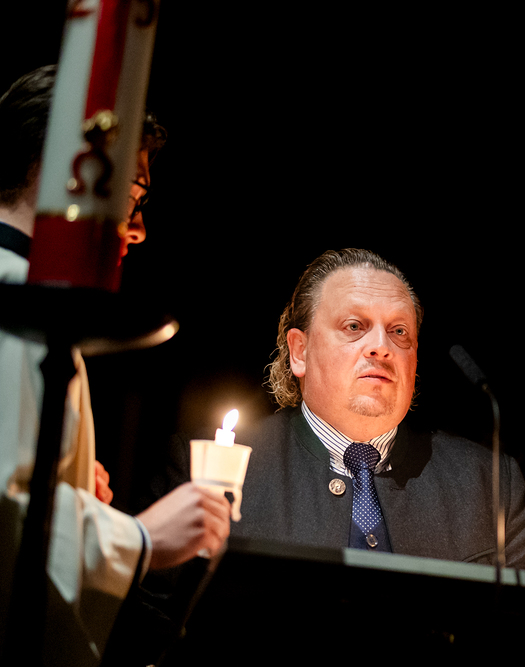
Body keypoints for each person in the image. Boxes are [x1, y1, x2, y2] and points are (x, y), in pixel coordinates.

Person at [0, 65, 231, 665]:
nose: (139, 230)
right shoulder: (15, 306)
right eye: (129, 197)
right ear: (67, 173)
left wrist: (73, 492)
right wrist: (142, 537)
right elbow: (3, 518)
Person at [233, 248, 525, 571]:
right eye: (354, 326)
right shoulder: (226, 471)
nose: (381, 347)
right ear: (300, 352)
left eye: (399, 332)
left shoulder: (489, 485)